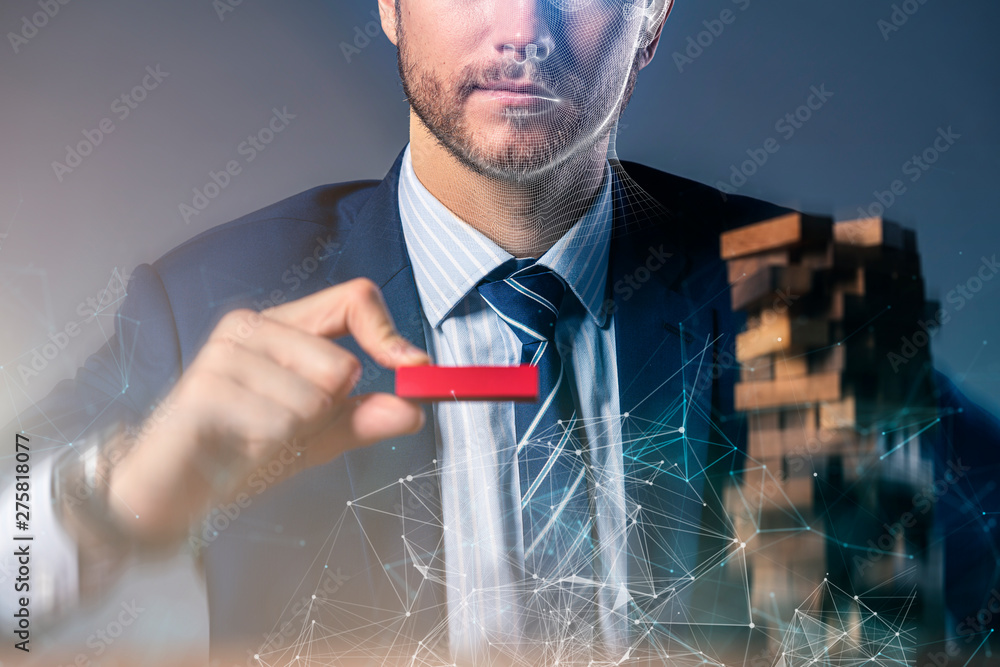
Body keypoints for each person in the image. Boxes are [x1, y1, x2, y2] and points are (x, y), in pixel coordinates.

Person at [3, 0, 998, 664]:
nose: (524, 24)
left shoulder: (809, 300)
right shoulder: (210, 301)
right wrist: (114, 492)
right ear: (389, 1)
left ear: (653, 15)